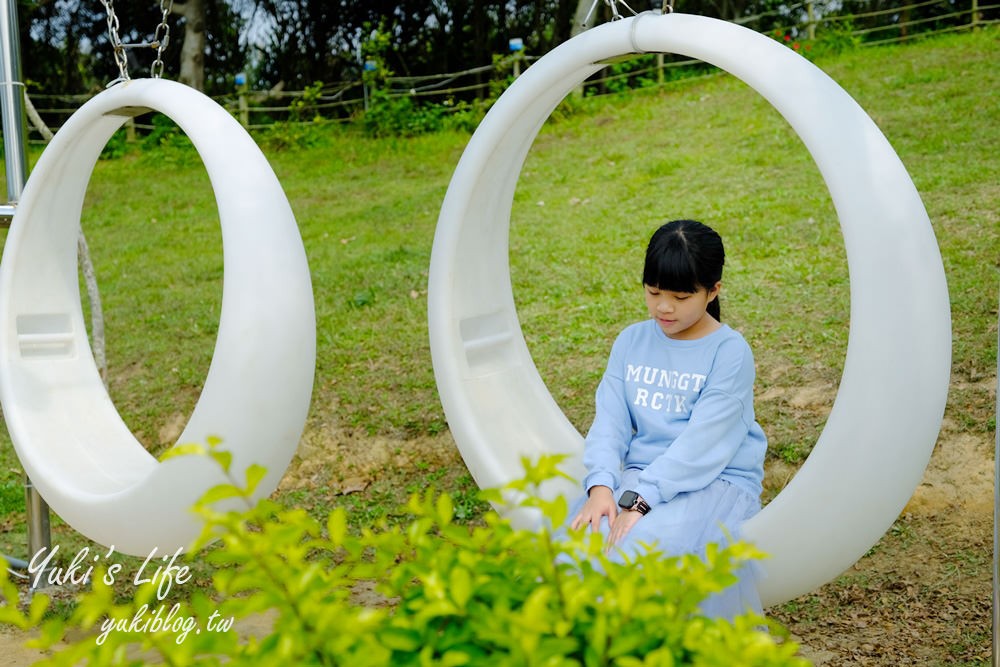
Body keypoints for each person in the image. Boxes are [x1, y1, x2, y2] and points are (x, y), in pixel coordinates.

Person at [565, 218, 767, 617]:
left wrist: (642, 501)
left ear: (713, 292)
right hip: (645, 476)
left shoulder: (729, 352)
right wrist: (602, 487)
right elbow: (610, 423)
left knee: (647, 548)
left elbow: (704, 446)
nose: (663, 306)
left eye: (680, 296)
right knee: (578, 545)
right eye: (653, 291)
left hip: (716, 482)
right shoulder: (631, 341)